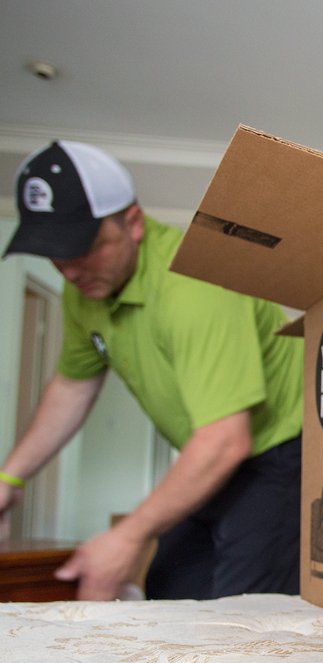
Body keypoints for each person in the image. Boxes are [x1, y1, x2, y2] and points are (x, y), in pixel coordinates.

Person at [0, 140, 304, 600]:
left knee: (242, 611)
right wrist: (10, 478)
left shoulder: (197, 283)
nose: (69, 271)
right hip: (211, 454)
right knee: (169, 587)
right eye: (54, 253)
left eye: (83, 248)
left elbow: (226, 440)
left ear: (134, 222)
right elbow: (72, 386)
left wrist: (126, 537)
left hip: (279, 455)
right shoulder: (85, 290)